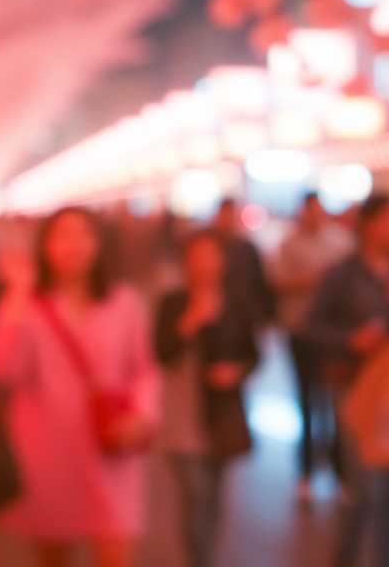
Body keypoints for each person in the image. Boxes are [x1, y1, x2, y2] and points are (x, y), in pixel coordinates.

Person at [0, 207, 159, 567]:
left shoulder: (122, 301)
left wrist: (143, 414)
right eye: (62, 235)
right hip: (48, 450)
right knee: (53, 555)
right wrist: (17, 294)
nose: (73, 245)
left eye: (83, 234)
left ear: (99, 243)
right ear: (45, 246)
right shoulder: (27, 304)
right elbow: (2, 370)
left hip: (109, 442)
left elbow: (144, 369)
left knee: (115, 550)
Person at [306, 194, 389, 567]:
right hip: (353, 384)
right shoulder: (341, 274)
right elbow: (311, 328)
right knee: (369, 488)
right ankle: (346, 557)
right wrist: (351, 340)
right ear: (369, 225)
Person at [154, 230, 260, 567]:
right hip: (182, 414)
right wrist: (190, 322)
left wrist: (237, 372)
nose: (203, 264)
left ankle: (206, 556)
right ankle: (197, 559)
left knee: (213, 495)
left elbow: (253, 353)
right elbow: (160, 353)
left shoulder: (237, 304)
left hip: (220, 413)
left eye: (210, 255)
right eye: (195, 255)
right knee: (195, 494)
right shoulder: (172, 302)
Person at [270, 192, 354, 502]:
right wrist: (311, 279)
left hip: (332, 337)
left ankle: (340, 473)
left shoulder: (342, 242)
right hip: (301, 332)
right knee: (306, 404)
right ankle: (305, 474)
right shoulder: (289, 244)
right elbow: (276, 282)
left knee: (336, 406)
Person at [212, 198, 275, 329]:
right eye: (225, 214)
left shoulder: (247, 248)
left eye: (231, 214)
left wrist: (265, 314)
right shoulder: (210, 248)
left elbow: (259, 281)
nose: (228, 219)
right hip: (218, 313)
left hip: (247, 313)